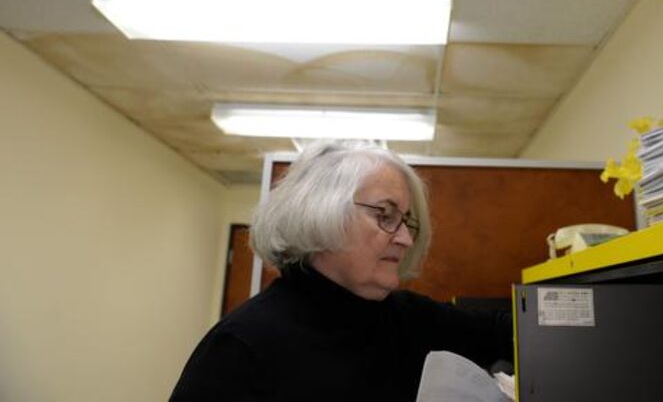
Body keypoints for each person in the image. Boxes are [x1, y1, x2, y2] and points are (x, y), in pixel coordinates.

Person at [170, 140, 513, 401]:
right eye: (385, 215)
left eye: (407, 221)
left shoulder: (408, 318)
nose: (406, 238)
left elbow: (512, 333)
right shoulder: (241, 345)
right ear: (323, 212)